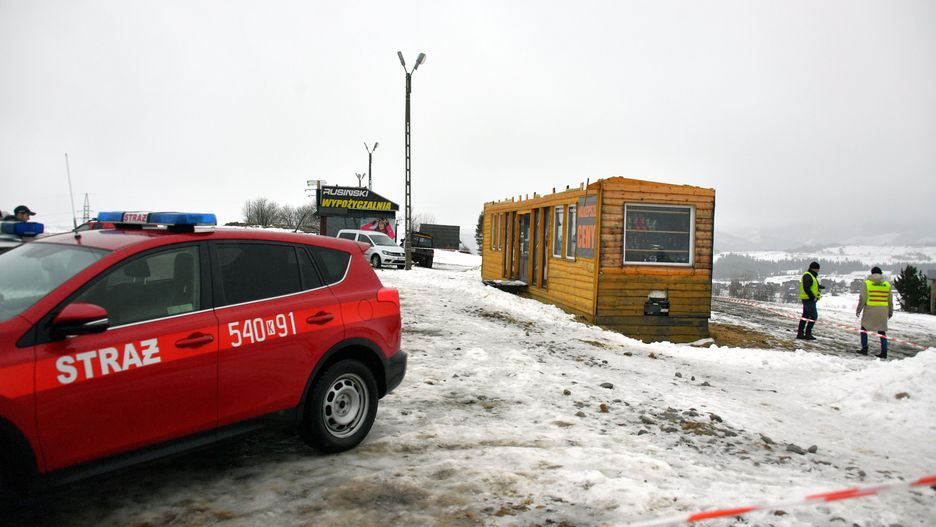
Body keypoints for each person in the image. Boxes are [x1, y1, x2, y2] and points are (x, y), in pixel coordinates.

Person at [856, 266, 893, 359]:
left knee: (864, 329)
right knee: (882, 331)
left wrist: (858, 310)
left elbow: (862, 299)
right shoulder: (887, 284)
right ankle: (884, 352)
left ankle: (864, 349)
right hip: (883, 311)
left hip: (870, 310)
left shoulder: (867, 283)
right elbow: (890, 300)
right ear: (881, 274)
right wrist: (890, 312)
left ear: (871, 273)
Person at [796, 261, 823, 340]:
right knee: (814, 316)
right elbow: (807, 287)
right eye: (818, 269)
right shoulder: (808, 275)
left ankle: (801, 333)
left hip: (807, 299)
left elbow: (812, 286)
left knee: (805, 316)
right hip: (809, 299)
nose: (818, 271)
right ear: (815, 269)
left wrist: (820, 287)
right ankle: (807, 333)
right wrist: (812, 297)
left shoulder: (811, 275)